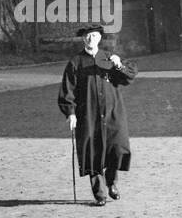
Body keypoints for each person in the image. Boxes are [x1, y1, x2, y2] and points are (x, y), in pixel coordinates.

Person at [58, 26, 136, 205]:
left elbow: (128, 78)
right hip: (88, 115)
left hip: (112, 113)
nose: (90, 39)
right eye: (87, 36)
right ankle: (99, 193)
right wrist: (71, 113)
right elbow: (67, 89)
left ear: (99, 37)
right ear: (83, 39)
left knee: (117, 148)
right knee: (92, 151)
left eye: (94, 35)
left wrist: (119, 65)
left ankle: (111, 182)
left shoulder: (109, 58)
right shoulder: (76, 62)